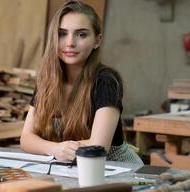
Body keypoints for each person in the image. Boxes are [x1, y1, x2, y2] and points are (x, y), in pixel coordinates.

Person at [20, 0, 143, 165]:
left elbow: (99, 146)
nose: (70, 42)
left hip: (116, 167)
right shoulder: (47, 79)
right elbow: (26, 138)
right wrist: (55, 149)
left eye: (81, 34)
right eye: (62, 33)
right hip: (70, 165)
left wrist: (53, 147)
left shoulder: (106, 80)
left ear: (97, 41)